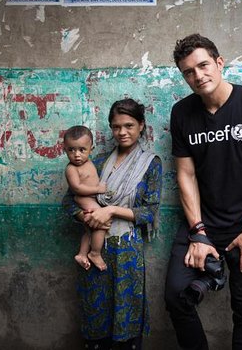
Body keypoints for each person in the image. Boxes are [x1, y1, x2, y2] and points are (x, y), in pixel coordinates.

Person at [164, 33, 242, 350]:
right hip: (201, 223)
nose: (198, 75)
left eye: (203, 65)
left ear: (219, 63)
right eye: (188, 71)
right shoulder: (182, 113)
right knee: (177, 295)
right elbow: (186, 174)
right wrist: (199, 232)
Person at [62, 98, 163, 350]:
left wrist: (111, 211)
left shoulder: (151, 164)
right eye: (116, 126)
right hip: (96, 252)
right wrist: (86, 217)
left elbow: (149, 213)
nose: (122, 132)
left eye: (129, 125)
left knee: (126, 321)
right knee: (97, 320)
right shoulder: (95, 163)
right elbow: (69, 202)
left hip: (127, 252)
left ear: (141, 126)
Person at [63, 125, 107, 271]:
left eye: (82, 150)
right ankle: (95, 253)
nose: (77, 155)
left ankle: (82, 254)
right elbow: (76, 188)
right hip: (83, 199)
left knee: (89, 231)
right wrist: (98, 189)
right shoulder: (71, 168)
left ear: (91, 150)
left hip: (92, 198)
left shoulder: (89, 162)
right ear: (65, 149)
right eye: (71, 150)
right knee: (101, 223)